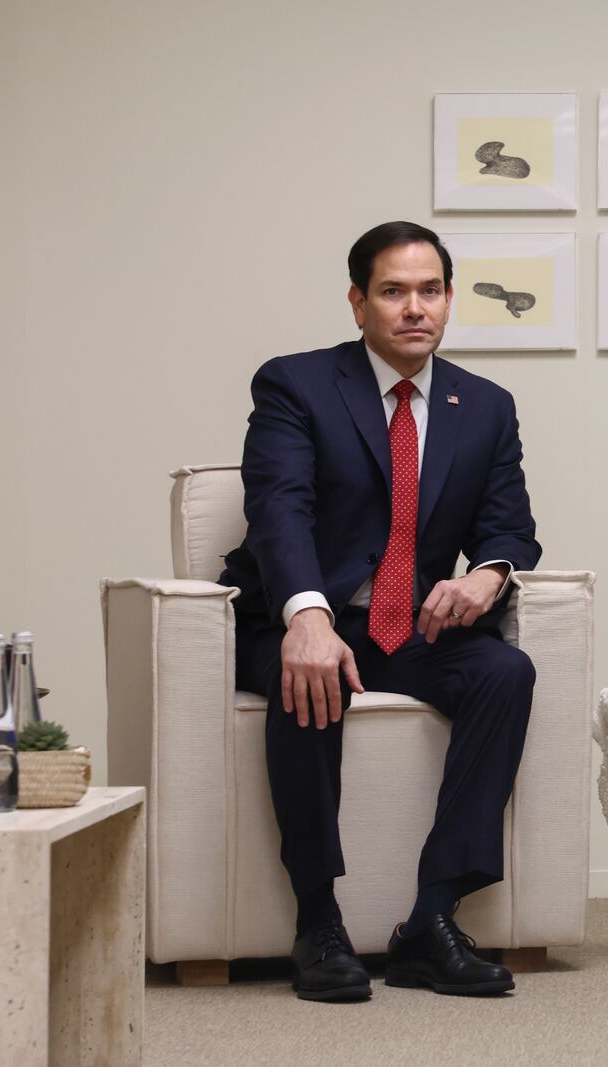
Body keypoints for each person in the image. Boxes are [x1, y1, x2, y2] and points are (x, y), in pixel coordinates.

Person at [221, 221, 541, 1002]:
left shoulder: (486, 405)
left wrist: (489, 574)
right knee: (313, 673)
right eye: (393, 291)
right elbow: (279, 509)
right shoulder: (296, 384)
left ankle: (431, 920)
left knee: (505, 670)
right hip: (299, 617)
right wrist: (306, 613)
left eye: (429, 290)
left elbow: (510, 526)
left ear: (449, 299)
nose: (414, 308)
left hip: (409, 626)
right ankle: (317, 916)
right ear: (358, 302)